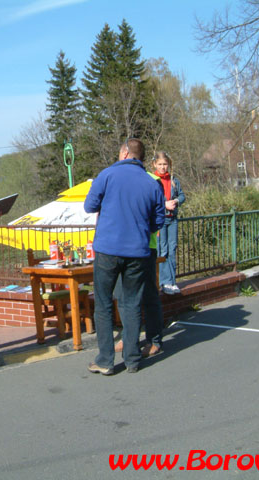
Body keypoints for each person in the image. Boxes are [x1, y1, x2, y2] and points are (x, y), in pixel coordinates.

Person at [84, 138, 165, 375]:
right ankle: (132, 358)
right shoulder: (152, 183)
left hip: (108, 249)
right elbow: (159, 220)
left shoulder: (107, 175)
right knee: (132, 303)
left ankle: (105, 360)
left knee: (104, 304)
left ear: (125, 153)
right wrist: (141, 230)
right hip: (138, 251)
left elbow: (89, 206)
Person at [114, 169, 165, 358]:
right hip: (120, 248)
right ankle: (128, 337)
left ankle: (154, 340)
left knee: (149, 295)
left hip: (145, 247)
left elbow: (157, 215)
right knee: (121, 295)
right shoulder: (117, 178)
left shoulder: (152, 181)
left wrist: (143, 232)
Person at [154, 152, 186, 295]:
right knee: (163, 250)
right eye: (160, 164)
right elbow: (150, 200)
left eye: (165, 164)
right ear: (155, 164)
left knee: (172, 250)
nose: (162, 167)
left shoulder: (173, 180)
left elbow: (182, 195)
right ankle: (164, 282)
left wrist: (176, 201)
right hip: (161, 219)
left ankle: (172, 282)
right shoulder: (153, 180)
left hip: (173, 219)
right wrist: (164, 204)